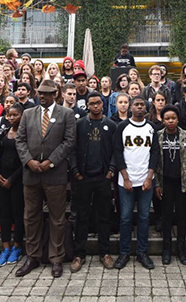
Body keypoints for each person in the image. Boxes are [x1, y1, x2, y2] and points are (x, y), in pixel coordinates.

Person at [15, 79, 76, 278]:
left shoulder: (66, 114)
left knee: (57, 219)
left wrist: (50, 161)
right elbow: (20, 140)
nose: (42, 96)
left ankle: (56, 258)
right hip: (30, 174)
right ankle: (32, 256)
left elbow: (69, 142)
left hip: (55, 174)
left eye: (46, 93)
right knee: (31, 217)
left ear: (55, 94)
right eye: (40, 93)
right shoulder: (27, 114)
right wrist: (28, 161)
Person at [69, 94, 117, 271]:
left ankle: (104, 252)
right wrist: (75, 171)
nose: (95, 106)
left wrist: (111, 170)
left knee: (104, 216)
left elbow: (115, 150)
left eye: (98, 103)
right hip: (84, 177)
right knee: (82, 217)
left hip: (103, 178)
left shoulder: (111, 125)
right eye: (92, 103)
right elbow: (72, 149)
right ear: (87, 105)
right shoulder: (79, 124)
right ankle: (79, 254)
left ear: (103, 105)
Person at [112, 97, 159, 270]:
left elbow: (155, 154)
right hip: (126, 182)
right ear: (131, 107)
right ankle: (124, 253)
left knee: (144, 217)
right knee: (125, 218)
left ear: (146, 108)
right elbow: (117, 152)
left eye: (142, 105)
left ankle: (142, 252)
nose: (140, 107)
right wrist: (125, 177)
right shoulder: (122, 127)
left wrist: (149, 178)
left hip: (146, 181)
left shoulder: (151, 128)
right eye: (136, 105)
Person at [154, 105, 186, 266]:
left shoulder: (185, 136)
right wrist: (157, 184)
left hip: (182, 182)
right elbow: (155, 162)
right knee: (166, 217)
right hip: (165, 182)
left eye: (173, 118)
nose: (170, 121)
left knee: (181, 216)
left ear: (177, 119)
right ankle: (166, 250)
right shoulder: (158, 136)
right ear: (163, 120)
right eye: (167, 118)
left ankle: (181, 249)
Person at [0, 103, 26, 267]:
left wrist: (11, 179)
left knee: (18, 214)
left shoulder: (25, 134)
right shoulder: (4, 133)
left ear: (22, 115)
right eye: (9, 115)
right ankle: (5, 247)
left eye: (15, 115)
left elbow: (25, 160)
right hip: (1, 178)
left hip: (17, 180)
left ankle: (17, 246)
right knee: (4, 214)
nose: (11, 118)